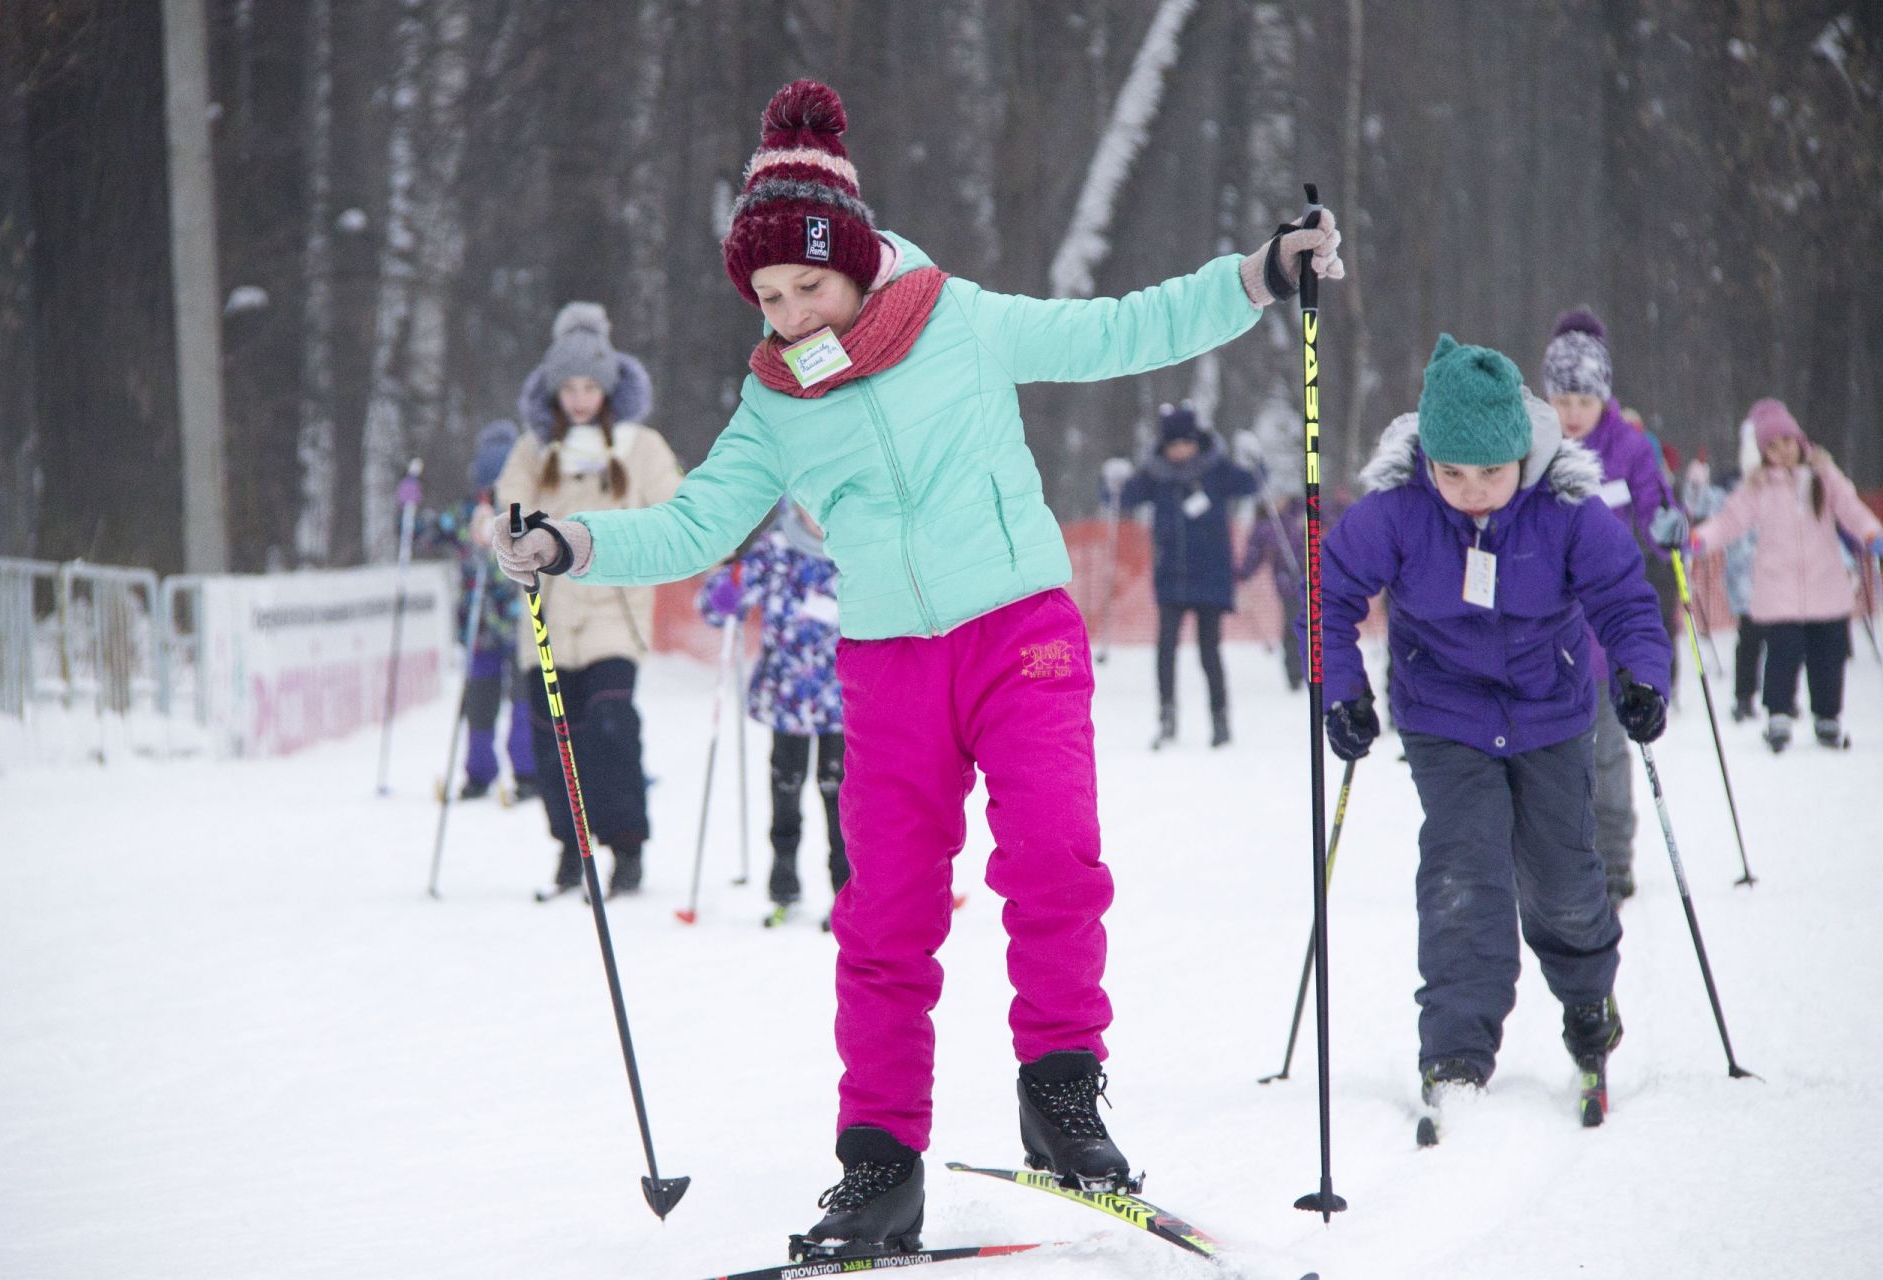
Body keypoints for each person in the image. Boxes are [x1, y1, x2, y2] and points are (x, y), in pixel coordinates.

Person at [489, 79, 1342, 1258]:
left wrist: (1255, 277)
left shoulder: (961, 317)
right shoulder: (775, 401)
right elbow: (692, 527)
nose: (787, 315)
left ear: (855, 260)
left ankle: (1059, 1098)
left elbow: (1117, 329)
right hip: (889, 665)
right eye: (768, 296)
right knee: (883, 913)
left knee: (1052, 852)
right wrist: (575, 542)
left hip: (1020, 630)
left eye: (805, 286)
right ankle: (879, 1161)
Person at [1322, 335, 1672, 1131]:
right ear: (1428, 462)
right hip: (1444, 715)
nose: (1472, 492)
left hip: (1550, 709)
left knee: (1562, 877)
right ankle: (1455, 1051)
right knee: (1464, 872)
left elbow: (1625, 600)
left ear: (1523, 453)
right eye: (1452, 474)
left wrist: (1641, 676)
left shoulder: (1567, 512)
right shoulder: (1400, 512)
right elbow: (1330, 597)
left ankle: (1588, 999)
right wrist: (1340, 692)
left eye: (1490, 472)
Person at [496, 302, 681, 899]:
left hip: (614, 616)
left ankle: (626, 845)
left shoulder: (640, 445)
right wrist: (502, 532)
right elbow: (507, 506)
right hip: (547, 619)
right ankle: (571, 849)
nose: (579, 399)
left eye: (589, 386)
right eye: (568, 387)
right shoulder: (534, 448)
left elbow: (676, 509)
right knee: (557, 739)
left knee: (610, 726)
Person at [1541, 307, 1681, 907]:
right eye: (1562, 399)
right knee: (1550, 755)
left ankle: (1616, 858)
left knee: (1603, 751)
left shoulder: (1627, 446)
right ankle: (1558, 858)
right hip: (1543, 628)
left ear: (1603, 397)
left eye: (1583, 400)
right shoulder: (1535, 444)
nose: (1572, 413)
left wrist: (1667, 525)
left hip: (1601, 626)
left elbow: (1653, 504)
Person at [1658, 398, 1883, 751]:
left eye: (1787, 443)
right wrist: (1698, 540)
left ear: (1800, 440)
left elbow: (1851, 510)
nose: (1782, 452)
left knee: (1828, 656)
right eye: (1773, 447)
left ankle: (1828, 717)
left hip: (1825, 586)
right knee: (1782, 655)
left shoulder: (1824, 476)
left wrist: (1871, 534)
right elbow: (1730, 521)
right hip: (1778, 591)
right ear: (1763, 453)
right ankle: (1777, 716)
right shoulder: (1758, 486)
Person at [696, 499, 849, 925]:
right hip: (787, 695)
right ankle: (784, 881)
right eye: (806, 507)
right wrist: (726, 588)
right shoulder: (776, 547)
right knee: (786, 783)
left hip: (842, 696)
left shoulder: (854, 545)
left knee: (838, 790)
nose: (814, 518)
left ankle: (845, 887)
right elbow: (719, 606)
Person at [1102, 403, 1258, 746]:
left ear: (1197, 442)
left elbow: (1250, 483)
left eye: (1185, 443)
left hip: (1212, 576)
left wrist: (1253, 460)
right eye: (1173, 445)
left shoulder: (1216, 471)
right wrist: (1112, 481)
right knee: (1166, 649)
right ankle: (1168, 716)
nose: (1180, 451)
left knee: (1209, 651)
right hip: (1171, 576)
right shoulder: (1156, 476)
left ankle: (1220, 719)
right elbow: (1122, 498)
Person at [428, 421, 537, 802]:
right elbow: (432, 530)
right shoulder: (474, 514)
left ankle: (515, 772)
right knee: (486, 700)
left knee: (510, 700)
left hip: (512, 624)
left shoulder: (511, 516)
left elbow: (432, 530)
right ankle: (496, 773)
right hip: (493, 627)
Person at [1681, 450, 1762, 721]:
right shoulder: (1732, 494)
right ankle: (1744, 697)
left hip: (1781, 583)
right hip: (1745, 583)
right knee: (1750, 640)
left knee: (1781, 644)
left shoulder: (1780, 489)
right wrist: (1695, 482)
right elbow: (1699, 506)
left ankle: (1778, 699)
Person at [1237, 487, 1319, 693]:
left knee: (1318, 626)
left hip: (1316, 578)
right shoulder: (1267, 526)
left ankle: (1321, 671)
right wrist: (1239, 573)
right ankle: (1296, 674)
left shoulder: (1303, 512)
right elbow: (1253, 558)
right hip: (1289, 585)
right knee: (1296, 626)